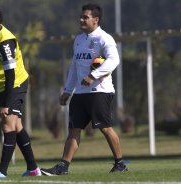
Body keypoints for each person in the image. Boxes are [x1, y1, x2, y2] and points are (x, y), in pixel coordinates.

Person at [40, 3, 128, 176]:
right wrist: (67, 90)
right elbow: (74, 66)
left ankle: (120, 164)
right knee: (74, 129)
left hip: (100, 91)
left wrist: (93, 76)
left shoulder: (105, 38)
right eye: (81, 17)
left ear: (96, 20)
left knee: (105, 128)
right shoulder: (78, 39)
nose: (81, 19)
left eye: (85, 17)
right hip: (80, 93)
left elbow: (113, 60)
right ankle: (63, 166)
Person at [0, 3, 41, 178]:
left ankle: (2, 172)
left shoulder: (5, 42)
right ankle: (33, 169)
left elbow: (10, 74)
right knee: (17, 126)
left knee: (7, 124)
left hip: (15, 84)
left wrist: (5, 104)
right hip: (2, 86)